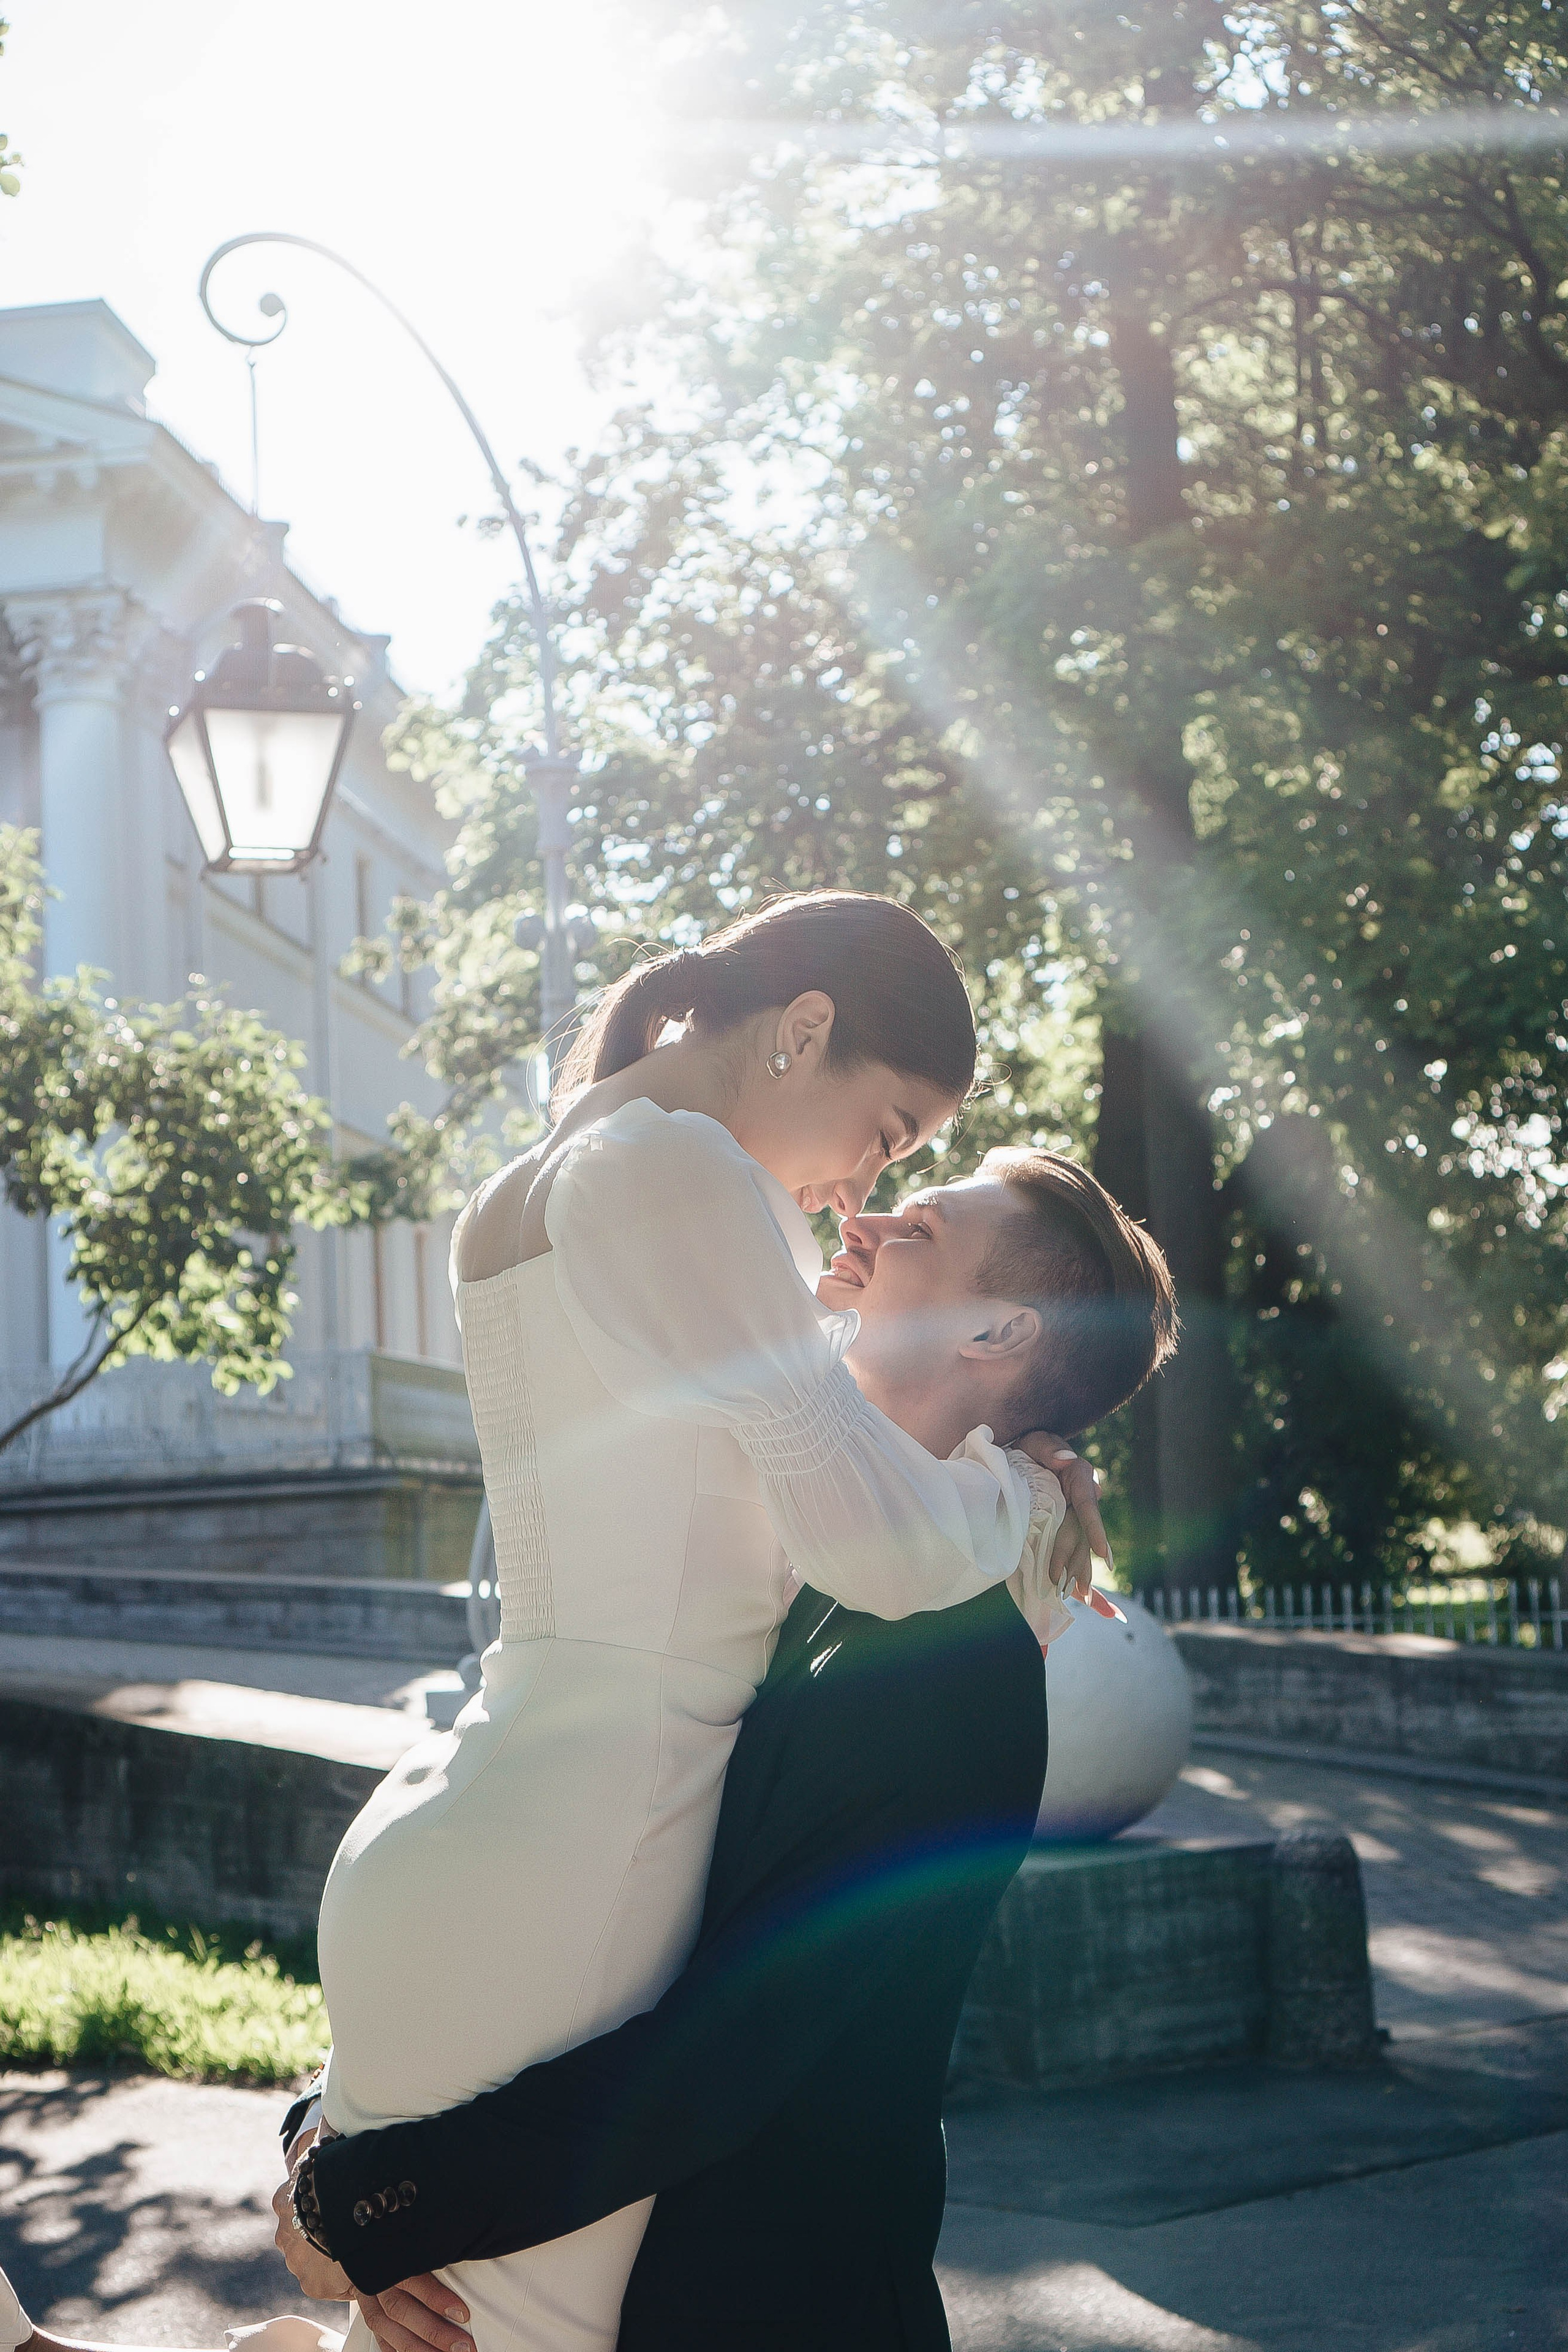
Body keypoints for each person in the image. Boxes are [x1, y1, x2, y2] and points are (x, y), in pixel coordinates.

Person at [0, 891, 1083, 2352]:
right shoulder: (688, 1172)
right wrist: (1020, 1499)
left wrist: (379, 2198)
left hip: (471, 1808)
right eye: (882, 1136)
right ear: (804, 1029)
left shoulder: (542, 1175)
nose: (853, 1193)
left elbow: (709, 1471)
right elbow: (863, 1537)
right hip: (591, 1842)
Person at [273, 1149, 1177, 2351]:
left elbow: (731, 2057)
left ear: (995, 1329)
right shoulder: (777, 1566)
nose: (869, 1215)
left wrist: (369, 2208)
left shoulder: (953, 1672)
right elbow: (590, 1904)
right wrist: (334, 2142)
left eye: (925, 1223)